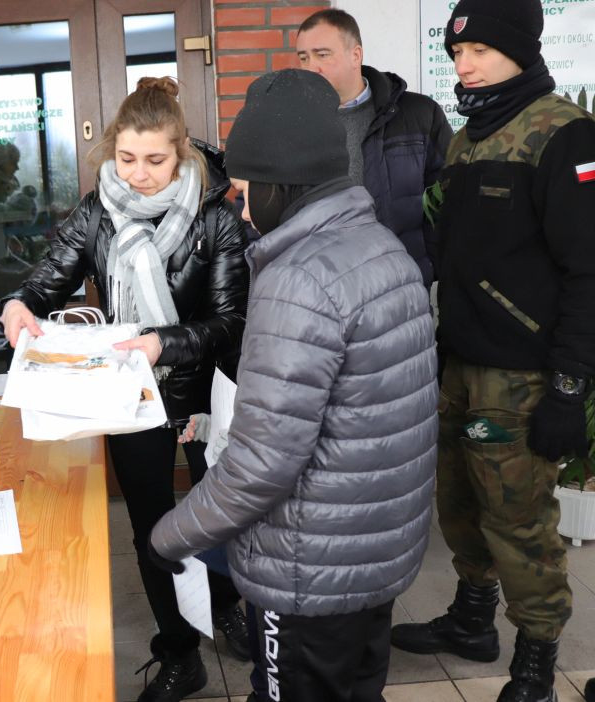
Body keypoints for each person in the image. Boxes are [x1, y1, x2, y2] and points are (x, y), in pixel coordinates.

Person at [149, 69, 438, 702]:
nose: (244, 209)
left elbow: (261, 465)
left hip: (309, 570)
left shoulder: (299, 279)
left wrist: (172, 535)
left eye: (249, 191)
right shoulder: (381, 247)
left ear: (285, 184)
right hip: (369, 553)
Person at [0, 77, 249, 702]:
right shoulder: (96, 210)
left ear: (182, 151)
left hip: (204, 390)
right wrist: (19, 305)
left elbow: (229, 321)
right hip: (131, 396)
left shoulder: (215, 215)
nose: (138, 174)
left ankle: (229, 608)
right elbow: (49, 278)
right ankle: (180, 652)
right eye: (127, 159)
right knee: (150, 527)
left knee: (226, 518)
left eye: (155, 161)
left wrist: (165, 342)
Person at [389, 2, 595, 700]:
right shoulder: (469, 138)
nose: (463, 64)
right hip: (459, 362)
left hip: (523, 375)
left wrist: (570, 388)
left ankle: (536, 659)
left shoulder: (562, 134)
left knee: (520, 525)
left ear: (519, 48)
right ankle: (471, 620)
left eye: (477, 49)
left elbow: (589, 271)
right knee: (459, 506)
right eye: (455, 53)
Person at [295, 8, 452, 286]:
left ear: (356, 55)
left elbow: (449, 202)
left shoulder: (419, 115)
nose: (311, 67)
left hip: (403, 283)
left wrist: (431, 266)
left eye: (322, 54)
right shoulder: (291, 125)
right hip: (323, 289)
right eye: (304, 57)